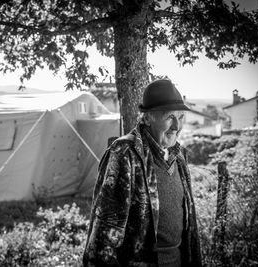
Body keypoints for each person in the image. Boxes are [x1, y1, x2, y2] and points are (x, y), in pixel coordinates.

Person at [83, 79, 202, 267]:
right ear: (147, 118)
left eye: (180, 117)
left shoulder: (179, 156)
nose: (176, 126)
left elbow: (189, 230)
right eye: (170, 117)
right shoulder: (124, 153)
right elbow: (104, 237)